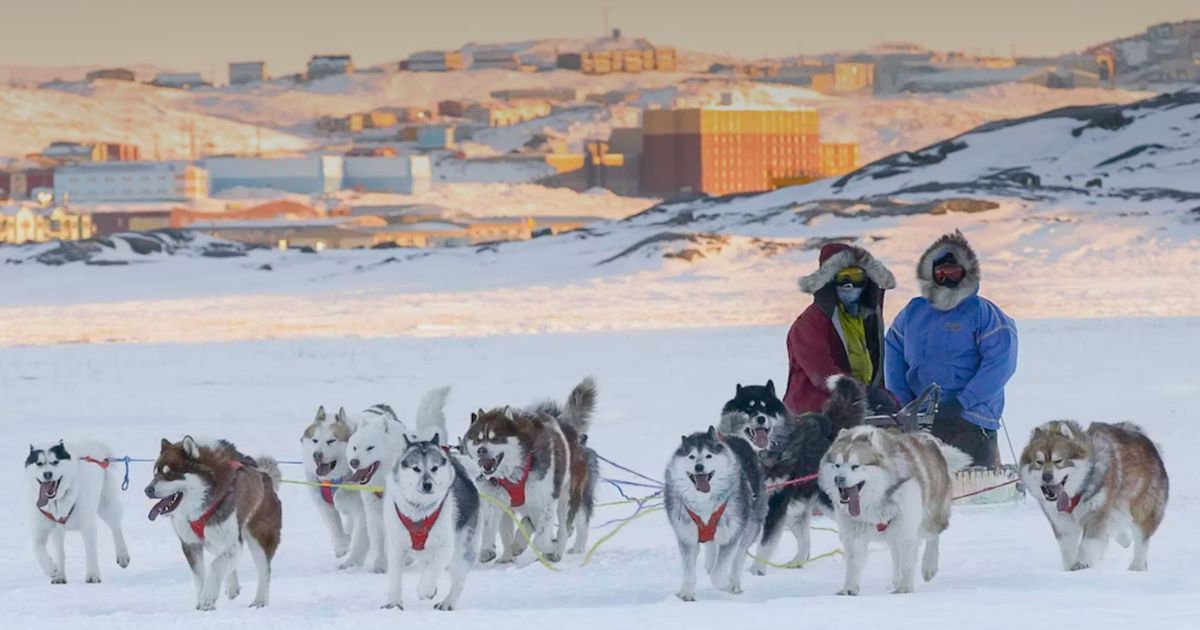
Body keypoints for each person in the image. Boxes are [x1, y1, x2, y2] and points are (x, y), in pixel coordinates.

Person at [884, 230, 1018, 469]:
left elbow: (1000, 364)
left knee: (970, 490)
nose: (947, 279)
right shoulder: (913, 312)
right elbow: (893, 356)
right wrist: (904, 403)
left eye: (953, 272)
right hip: (920, 420)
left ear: (966, 273)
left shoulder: (983, 313)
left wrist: (962, 401)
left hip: (970, 419)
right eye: (941, 273)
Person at [785, 243, 897, 415]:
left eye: (857, 277)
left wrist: (891, 401)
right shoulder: (810, 322)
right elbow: (824, 374)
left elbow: (872, 373)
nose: (851, 285)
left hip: (855, 409)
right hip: (814, 416)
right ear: (829, 281)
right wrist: (867, 394)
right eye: (844, 278)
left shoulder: (866, 318)